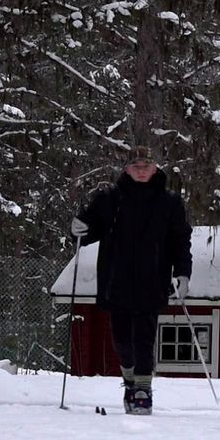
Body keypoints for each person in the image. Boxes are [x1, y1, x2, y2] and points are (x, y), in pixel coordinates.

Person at [71, 146, 192, 415]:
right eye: (136, 166)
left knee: (145, 339)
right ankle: (129, 381)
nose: (141, 170)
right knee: (122, 340)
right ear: (127, 169)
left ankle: (142, 390)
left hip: (154, 281)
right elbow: (87, 230)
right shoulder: (109, 198)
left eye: (146, 166)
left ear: (155, 168)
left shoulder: (169, 203)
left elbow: (180, 241)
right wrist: (77, 228)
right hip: (117, 281)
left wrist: (183, 273)